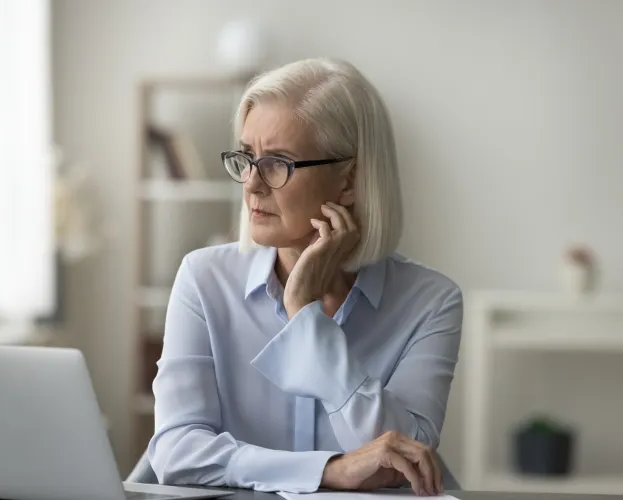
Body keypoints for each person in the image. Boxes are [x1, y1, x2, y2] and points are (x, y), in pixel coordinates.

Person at [147, 58, 463, 495]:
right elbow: (176, 452)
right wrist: (329, 470)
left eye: (278, 162)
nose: (251, 184)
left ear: (349, 180)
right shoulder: (204, 280)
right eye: (247, 157)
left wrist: (305, 316)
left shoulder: (430, 301)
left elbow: (402, 461)